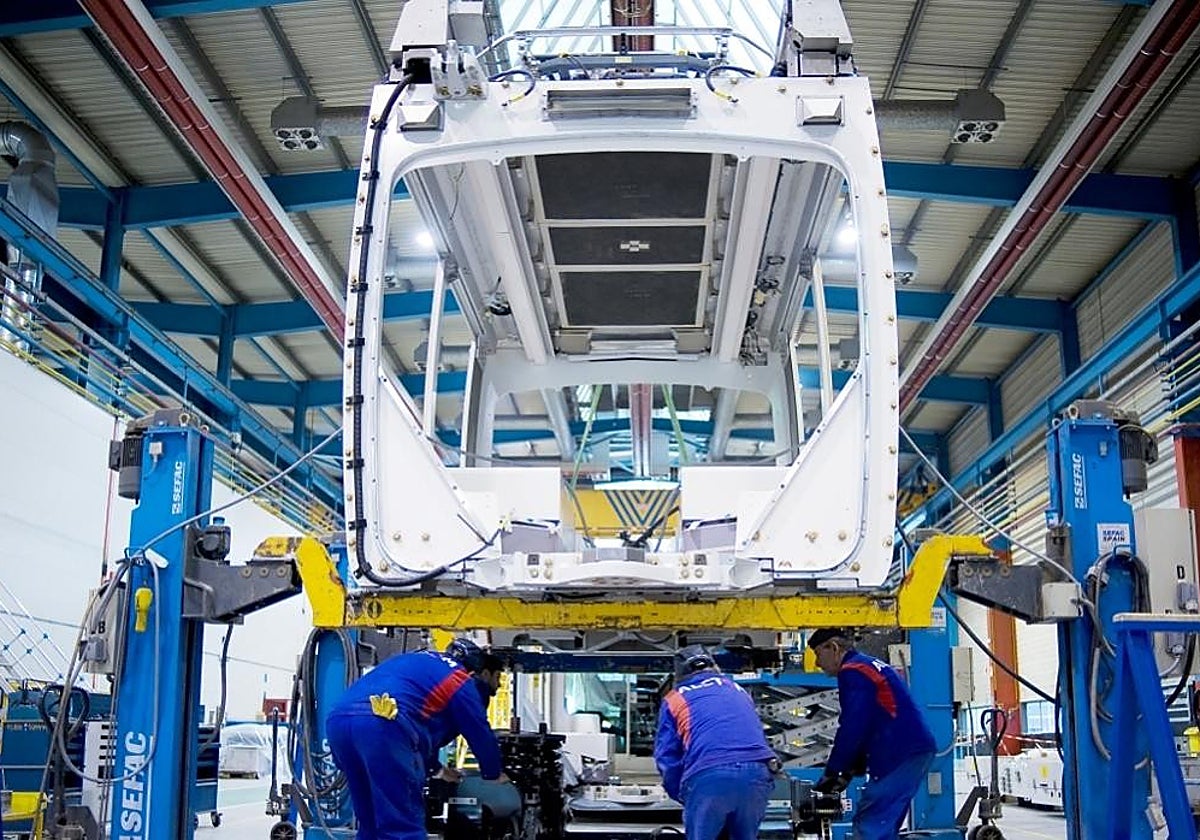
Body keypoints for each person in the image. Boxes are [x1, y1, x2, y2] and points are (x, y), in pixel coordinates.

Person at [326, 638, 510, 840]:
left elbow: (418, 740)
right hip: (384, 723)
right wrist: (493, 773)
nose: (498, 684)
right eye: (497, 678)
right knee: (401, 825)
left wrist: (438, 770)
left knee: (370, 822)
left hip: (339, 723)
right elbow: (478, 729)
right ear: (479, 672)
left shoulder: (417, 662)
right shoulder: (459, 678)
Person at [808, 628, 936, 840]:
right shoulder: (869, 665)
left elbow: (853, 725)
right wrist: (849, 771)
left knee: (871, 826)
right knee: (882, 825)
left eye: (818, 654)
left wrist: (833, 771)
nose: (817, 663)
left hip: (899, 753)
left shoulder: (853, 670)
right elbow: (869, 720)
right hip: (910, 750)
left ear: (833, 647)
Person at [653, 645, 779, 840]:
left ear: (679, 675)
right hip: (757, 772)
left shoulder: (674, 698)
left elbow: (667, 758)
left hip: (709, 774)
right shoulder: (736, 689)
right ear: (714, 667)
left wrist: (682, 795)